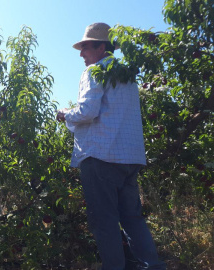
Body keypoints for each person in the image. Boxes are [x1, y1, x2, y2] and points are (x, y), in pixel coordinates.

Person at [56, 23, 166, 269]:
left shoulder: (94, 71)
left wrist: (65, 114)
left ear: (101, 46)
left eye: (85, 47)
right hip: (130, 158)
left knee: (104, 222)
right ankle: (153, 266)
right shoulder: (127, 75)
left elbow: (87, 111)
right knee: (133, 218)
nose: (81, 53)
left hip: (101, 157)